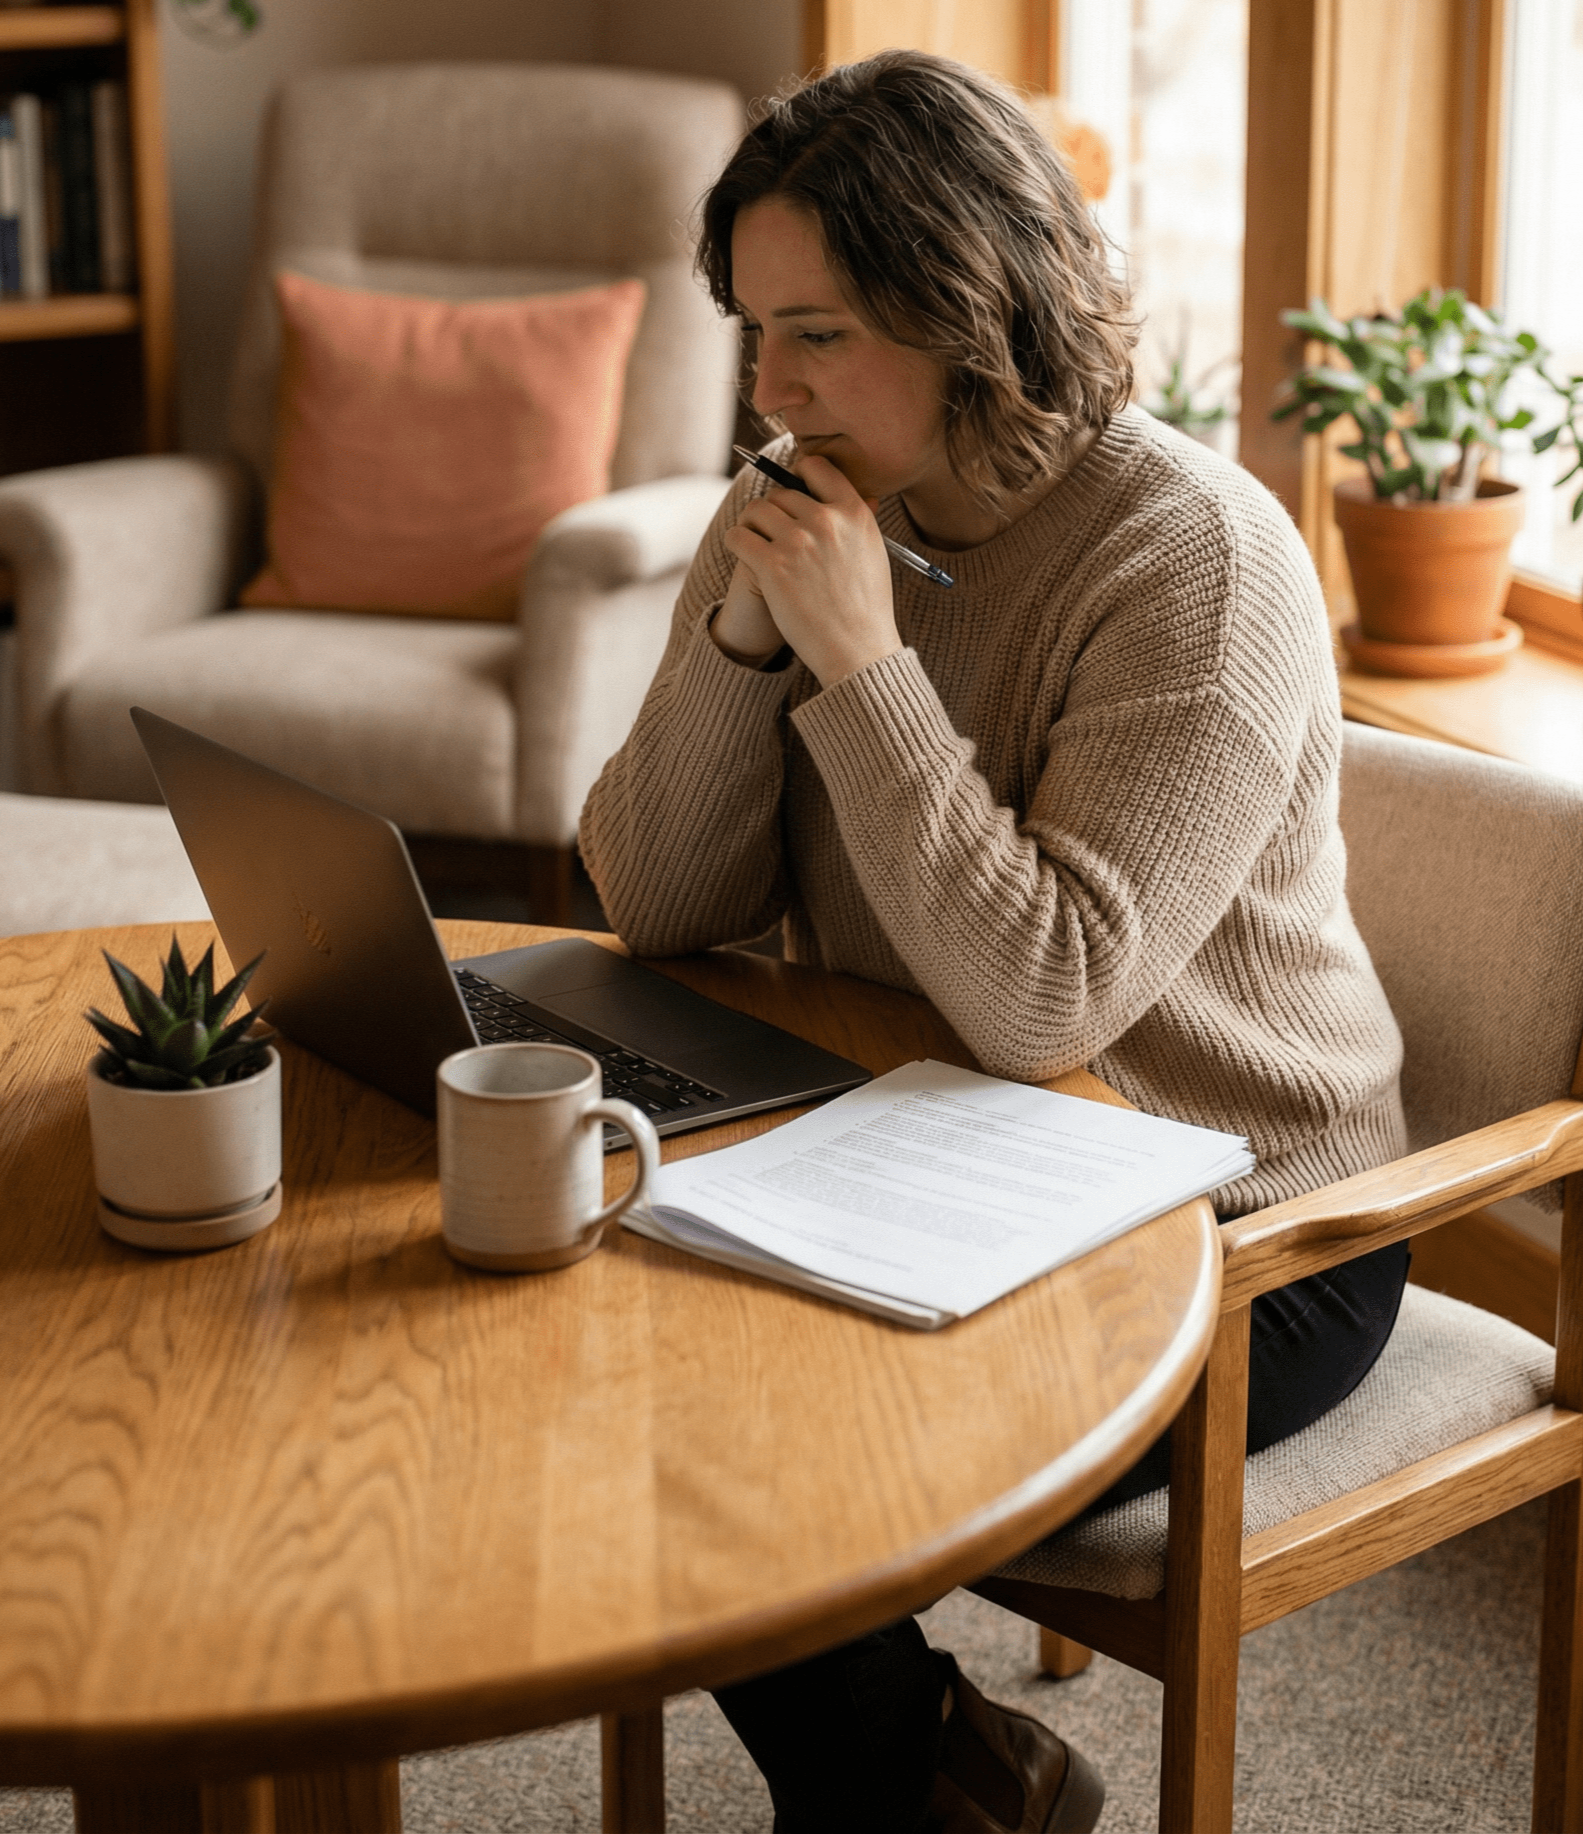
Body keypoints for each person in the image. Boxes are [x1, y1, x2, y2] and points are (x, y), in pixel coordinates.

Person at [579, 49, 1409, 1834]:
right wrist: (742, 638)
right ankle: (950, 1771)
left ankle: (913, 1792)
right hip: (928, 1138)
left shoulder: (1192, 561)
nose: (769, 389)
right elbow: (652, 901)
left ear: (969, 310)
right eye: (752, 330)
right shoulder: (804, 510)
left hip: (1236, 1219)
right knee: (580, 1357)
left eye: (818, 334)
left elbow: (1046, 996)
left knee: (753, 1459)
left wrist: (864, 667)